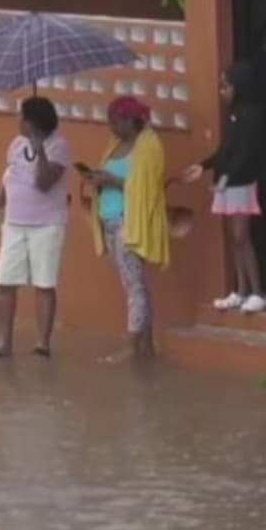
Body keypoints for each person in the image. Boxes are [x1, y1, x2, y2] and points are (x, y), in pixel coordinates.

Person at [0, 96, 71, 359]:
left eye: (20, 115)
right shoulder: (16, 144)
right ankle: (4, 341)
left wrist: (40, 149)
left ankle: (42, 343)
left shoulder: (59, 146)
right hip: (14, 223)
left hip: (47, 224)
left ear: (31, 121)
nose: (16, 119)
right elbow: (8, 177)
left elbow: (44, 183)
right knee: (4, 282)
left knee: (44, 283)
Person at [87, 96, 170, 359]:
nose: (110, 127)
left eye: (113, 121)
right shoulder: (115, 145)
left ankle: (132, 346)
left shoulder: (149, 145)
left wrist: (114, 180)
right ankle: (145, 344)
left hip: (129, 221)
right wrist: (98, 179)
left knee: (134, 285)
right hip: (109, 220)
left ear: (127, 120)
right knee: (132, 283)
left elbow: (149, 186)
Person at [183, 63, 266, 313]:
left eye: (226, 86)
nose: (222, 91)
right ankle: (240, 291)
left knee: (242, 236)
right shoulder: (233, 114)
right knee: (234, 238)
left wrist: (223, 181)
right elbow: (224, 151)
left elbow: (244, 156)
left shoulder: (252, 115)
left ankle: (258, 292)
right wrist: (203, 166)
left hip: (241, 182)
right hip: (228, 182)